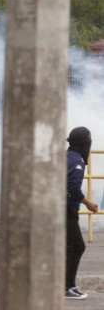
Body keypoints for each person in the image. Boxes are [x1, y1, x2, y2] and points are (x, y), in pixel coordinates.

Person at [65, 126, 98, 300]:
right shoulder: (76, 160)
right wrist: (88, 203)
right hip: (66, 208)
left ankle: (68, 285)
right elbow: (72, 187)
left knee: (69, 246)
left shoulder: (67, 156)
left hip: (57, 207)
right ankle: (66, 286)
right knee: (76, 246)